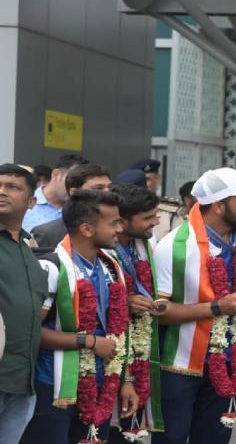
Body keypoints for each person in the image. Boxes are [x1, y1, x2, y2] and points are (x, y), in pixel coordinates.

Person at [151, 168, 236, 444]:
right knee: (172, 439)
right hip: (180, 365)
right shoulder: (174, 246)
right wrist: (216, 308)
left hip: (232, 360)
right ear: (218, 205)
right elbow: (158, 311)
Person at [21, 190, 137, 443]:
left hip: (100, 382)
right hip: (54, 385)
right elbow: (30, 331)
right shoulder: (51, 267)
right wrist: (90, 342)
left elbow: (119, 327)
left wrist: (126, 380)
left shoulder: (111, 265)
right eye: (114, 222)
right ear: (86, 229)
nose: (121, 227)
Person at [106, 184, 166, 442]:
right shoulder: (102, 246)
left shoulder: (144, 245)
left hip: (138, 347)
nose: (156, 222)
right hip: (109, 351)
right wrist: (123, 302)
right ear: (122, 221)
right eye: (148, 218)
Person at [0, 164, 49, 443]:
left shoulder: (29, 251)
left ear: (31, 202)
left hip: (22, 382)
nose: (2, 192)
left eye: (12, 187)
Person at [31, 163, 112, 248]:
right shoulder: (47, 234)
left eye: (110, 187)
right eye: (98, 188)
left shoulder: (116, 230)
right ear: (74, 192)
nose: (107, 193)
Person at [22, 154, 89, 232]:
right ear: (56, 175)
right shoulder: (23, 201)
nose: (76, 187)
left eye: (81, 183)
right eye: (74, 180)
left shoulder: (81, 210)